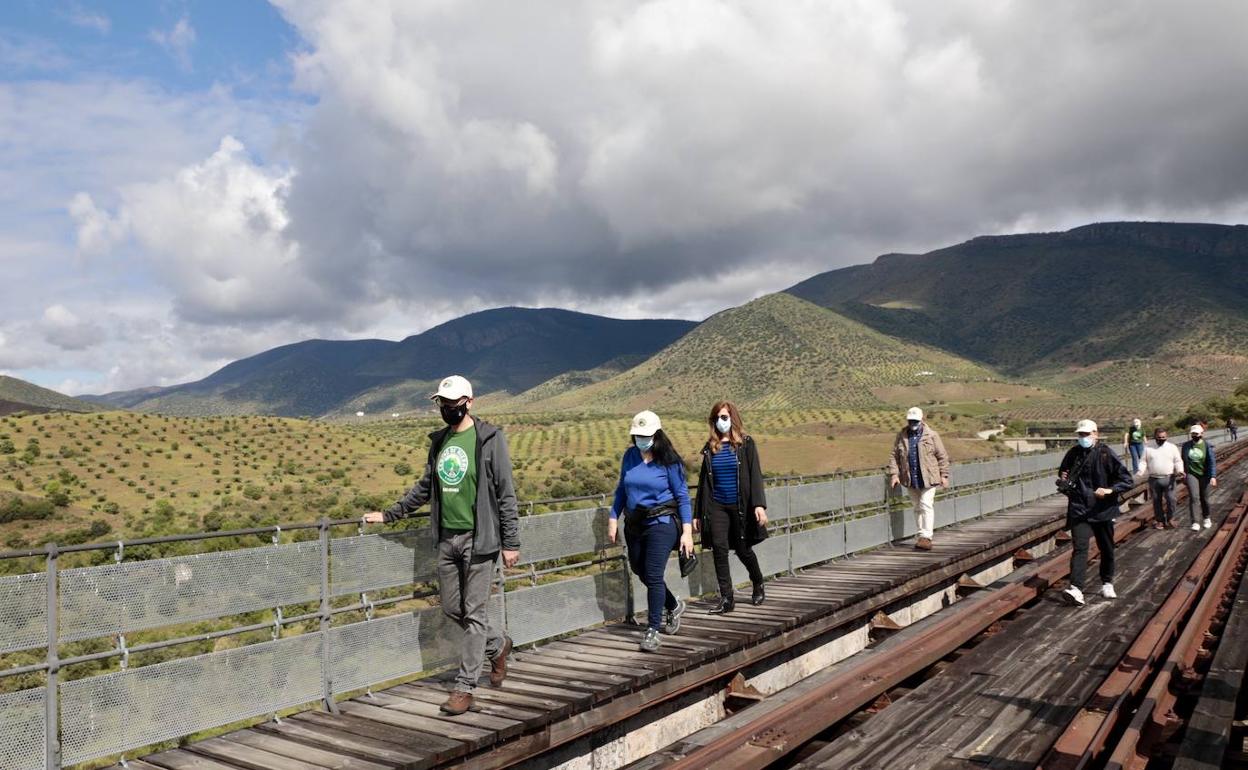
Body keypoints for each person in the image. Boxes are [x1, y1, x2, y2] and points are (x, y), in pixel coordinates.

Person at [362, 375, 519, 715]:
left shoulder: (490, 439)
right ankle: (498, 644)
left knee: (475, 613)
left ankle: (465, 688)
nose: (448, 409)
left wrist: (511, 542)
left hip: (480, 541)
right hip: (447, 538)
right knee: (452, 608)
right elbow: (425, 487)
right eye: (443, 404)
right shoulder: (441, 442)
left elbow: (506, 493)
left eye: (453, 404)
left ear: (469, 402)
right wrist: (391, 515)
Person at [608, 410, 695, 652]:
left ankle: (653, 630)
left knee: (654, 574)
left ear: (656, 434)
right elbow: (622, 490)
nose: (641, 439)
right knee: (639, 569)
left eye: (645, 435)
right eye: (637, 435)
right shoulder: (630, 456)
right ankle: (673, 604)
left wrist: (687, 533)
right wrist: (613, 517)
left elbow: (683, 497)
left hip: (662, 523)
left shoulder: (669, 462)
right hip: (634, 523)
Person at [694, 401, 768, 614]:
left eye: (724, 417)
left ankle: (758, 581)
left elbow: (755, 475)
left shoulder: (746, 443)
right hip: (717, 506)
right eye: (717, 418)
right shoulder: (710, 448)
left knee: (743, 549)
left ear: (733, 419)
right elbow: (703, 483)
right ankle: (727, 598)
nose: (720, 422)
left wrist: (759, 505)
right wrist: (699, 513)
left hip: (740, 505)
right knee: (719, 549)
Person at [1058, 420, 1134, 606]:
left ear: (1095, 434)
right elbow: (1063, 473)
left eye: (1086, 434)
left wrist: (1110, 490)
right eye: (1080, 435)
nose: (1083, 438)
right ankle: (1076, 589)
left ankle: (1107, 582)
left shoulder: (1106, 453)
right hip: (1079, 508)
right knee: (1080, 547)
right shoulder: (1073, 453)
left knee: (1106, 547)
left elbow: (1126, 480)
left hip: (1102, 510)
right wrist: (1063, 480)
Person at [888, 407, 950, 551]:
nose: (912, 423)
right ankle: (921, 536)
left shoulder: (932, 435)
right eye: (910, 421)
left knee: (926, 504)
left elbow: (942, 456)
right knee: (917, 507)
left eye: (915, 421)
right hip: (910, 479)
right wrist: (894, 475)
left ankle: (926, 537)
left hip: (929, 478)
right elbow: (894, 456)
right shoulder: (902, 436)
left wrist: (944, 475)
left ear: (922, 420)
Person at [1135, 427, 1182, 529]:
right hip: (1154, 479)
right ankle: (1160, 520)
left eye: (1163, 437)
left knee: (1171, 499)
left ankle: (1170, 518)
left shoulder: (1172, 447)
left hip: (1169, 478)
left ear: (1167, 437)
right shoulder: (1148, 448)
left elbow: (1177, 460)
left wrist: (1180, 470)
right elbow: (1143, 461)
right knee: (1156, 501)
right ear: (1155, 437)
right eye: (1159, 437)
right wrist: (1140, 471)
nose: (1161, 439)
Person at [1181, 423, 1218, 531]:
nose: (1194, 436)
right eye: (1193, 434)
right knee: (1194, 497)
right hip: (1191, 474)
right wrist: (1183, 473)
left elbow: (1212, 462)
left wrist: (1213, 476)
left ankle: (1206, 518)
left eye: (1196, 434)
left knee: (1204, 498)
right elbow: (1183, 460)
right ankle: (1195, 522)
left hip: (1204, 475)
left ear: (1202, 434)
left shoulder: (1207, 446)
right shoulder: (1186, 446)